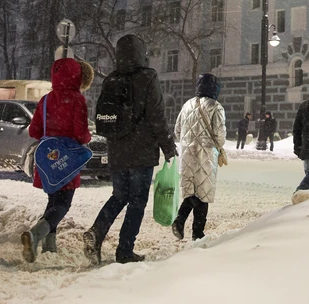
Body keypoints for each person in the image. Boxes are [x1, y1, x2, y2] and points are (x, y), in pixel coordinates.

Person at [83, 34, 176, 265]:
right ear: (140, 52)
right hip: (142, 151)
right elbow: (157, 116)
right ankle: (125, 250)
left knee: (119, 195)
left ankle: (97, 231)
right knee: (136, 202)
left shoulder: (111, 79)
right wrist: (168, 147)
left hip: (117, 150)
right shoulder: (148, 77)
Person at [20, 57, 92, 263]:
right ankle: (35, 234)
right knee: (63, 203)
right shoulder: (77, 99)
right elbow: (80, 133)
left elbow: (34, 131)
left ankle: (49, 246)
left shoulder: (46, 99)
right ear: (77, 76)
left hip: (47, 157)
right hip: (67, 157)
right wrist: (87, 138)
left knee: (53, 200)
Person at [172, 74, 226, 241]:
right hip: (205, 154)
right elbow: (220, 135)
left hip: (187, 153)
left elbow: (177, 131)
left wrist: (189, 140)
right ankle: (189, 226)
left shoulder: (187, 104)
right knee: (203, 192)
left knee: (193, 191)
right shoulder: (216, 107)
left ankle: (189, 227)